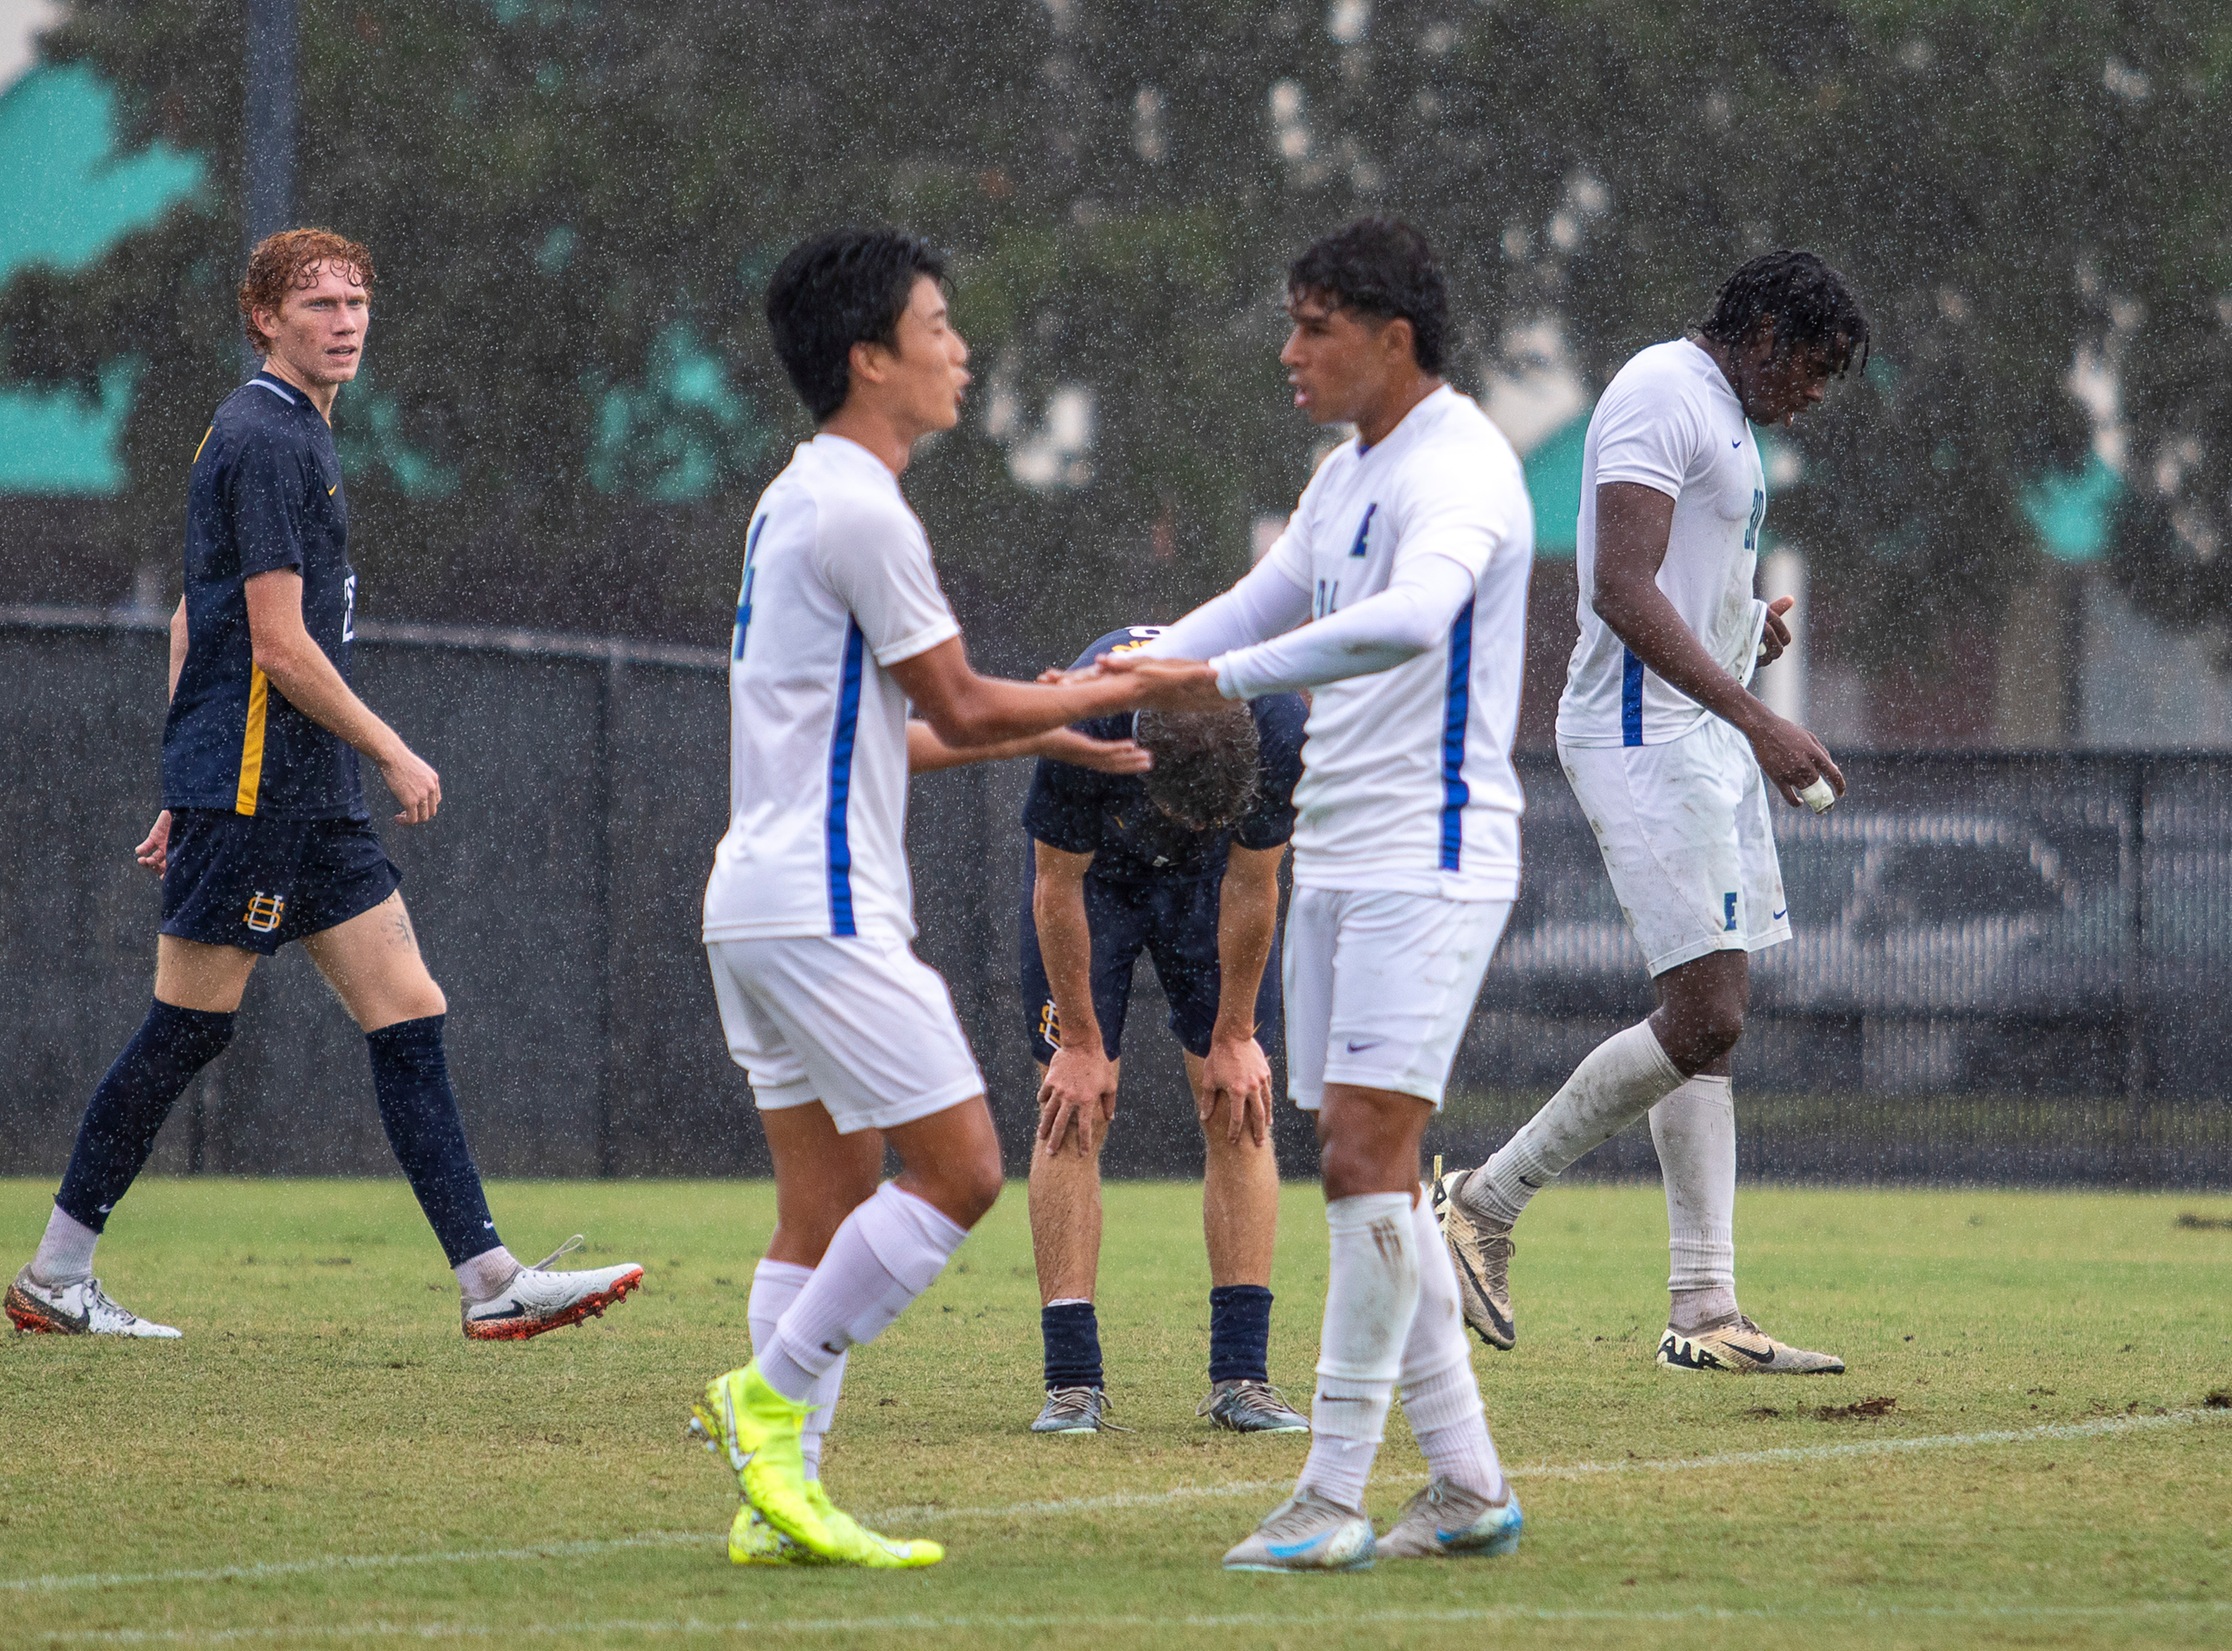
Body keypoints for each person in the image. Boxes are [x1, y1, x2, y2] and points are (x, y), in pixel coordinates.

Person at [3, 229, 641, 1342]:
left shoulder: (301, 435)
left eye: (355, 301)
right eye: (317, 305)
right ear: (263, 318)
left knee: (410, 1012)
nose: (343, 321)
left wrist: (181, 771)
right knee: (185, 1030)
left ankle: (489, 1281)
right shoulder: (267, 436)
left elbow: (187, 619)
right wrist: (385, 748)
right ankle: (58, 1274)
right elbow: (276, 646)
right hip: (259, 792)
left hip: (299, 793)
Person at [687, 227, 1156, 1570]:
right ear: (869, 358)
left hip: (756, 902)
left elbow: (886, 732)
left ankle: (777, 1496)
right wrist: (1119, 689)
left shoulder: (798, 494)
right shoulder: (860, 507)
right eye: (938, 326)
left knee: (822, 1202)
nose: (961, 349)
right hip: (823, 905)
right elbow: (950, 694)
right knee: (960, 1168)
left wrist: (1046, 734)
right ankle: (772, 1398)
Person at [1095, 218, 1535, 1571]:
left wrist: (1207, 682)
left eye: (1315, 326)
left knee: (1359, 1160)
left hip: (1433, 855)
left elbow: (1412, 618)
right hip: (1340, 857)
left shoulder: (1460, 465)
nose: (1290, 352)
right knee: (1375, 1176)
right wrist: (1122, 669)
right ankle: (1465, 1482)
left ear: (1393, 339)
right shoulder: (1348, 471)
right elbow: (1258, 596)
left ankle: (1332, 1489)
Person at [1434, 250, 1867, 1377]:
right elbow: (1619, 590)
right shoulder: (1659, 391)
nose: (1814, 392)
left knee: (1704, 1010)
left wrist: (1742, 635)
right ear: (1765, 332)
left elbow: (1679, 585)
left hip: (1698, 731)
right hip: (1640, 734)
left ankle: (1706, 1308)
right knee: (1709, 1010)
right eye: (1813, 367)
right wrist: (1760, 715)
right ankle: (1485, 1199)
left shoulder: (1723, 413)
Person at [1021, 625, 1309, 1436]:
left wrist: (1236, 1032)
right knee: (1071, 1104)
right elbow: (1055, 884)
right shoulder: (1086, 722)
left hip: (1211, 888)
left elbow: (1255, 882)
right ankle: (1073, 1380)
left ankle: (1242, 1377)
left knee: (1240, 1098)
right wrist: (1079, 1041)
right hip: (1092, 886)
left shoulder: (1282, 723)